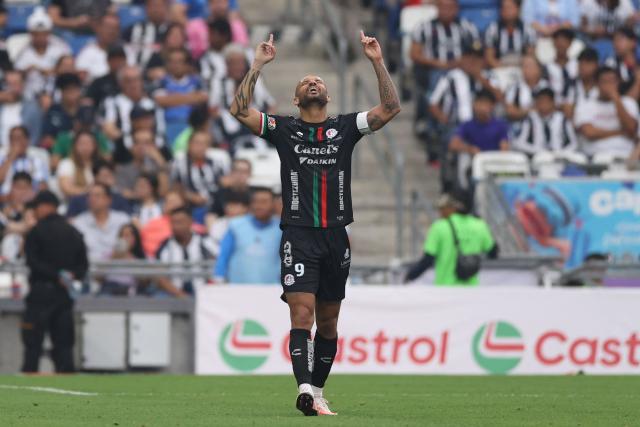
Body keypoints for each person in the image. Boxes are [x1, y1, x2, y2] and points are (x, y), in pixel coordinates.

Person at [230, 32, 400, 416]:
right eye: (305, 81)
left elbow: (390, 107)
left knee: (328, 322)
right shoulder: (284, 129)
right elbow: (239, 111)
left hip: (336, 236)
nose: (313, 82)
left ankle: (318, 390)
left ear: (327, 96)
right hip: (298, 234)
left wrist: (376, 61)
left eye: (319, 80)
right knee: (301, 314)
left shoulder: (347, 128)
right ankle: (304, 388)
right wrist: (257, 66)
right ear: (295, 98)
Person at [22, 190, 89, 373]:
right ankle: (68, 385)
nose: (36, 212)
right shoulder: (73, 232)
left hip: (40, 293)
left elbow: (32, 262)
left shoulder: (36, 231)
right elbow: (83, 266)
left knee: (33, 344)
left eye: (37, 207)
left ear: (45, 206)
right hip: (64, 295)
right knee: (64, 345)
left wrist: (54, 275)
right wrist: (68, 276)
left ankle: (29, 381)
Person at [404, 193, 498, 285]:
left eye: (442, 208)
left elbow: (428, 260)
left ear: (452, 208)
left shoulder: (439, 227)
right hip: (471, 290)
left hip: (445, 289)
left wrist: (410, 275)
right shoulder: (479, 225)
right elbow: (493, 253)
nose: (440, 212)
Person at [213, 187, 281, 283]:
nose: (259, 206)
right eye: (256, 201)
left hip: (271, 289)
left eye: (264, 202)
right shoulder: (236, 225)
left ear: (273, 204)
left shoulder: (282, 228)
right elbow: (224, 255)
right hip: (238, 289)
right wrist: (218, 277)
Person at [102, 66, 167, 163]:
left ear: (141, 81)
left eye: (136, 80)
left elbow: (160, 129)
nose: (133, 84)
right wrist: (131, 142)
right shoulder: (114, 102)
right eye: (128, 81)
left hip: (154, 147)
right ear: (121, 83)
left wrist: (149, 144)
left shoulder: (152, 103)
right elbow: (109, 128)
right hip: (124, 150)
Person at [575, 66, 639, 156]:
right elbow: (589, 133)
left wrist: (616, 99)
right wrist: (620, 132)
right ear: (596, 83)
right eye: (605, 82)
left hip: (626, 156)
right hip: (595, 158)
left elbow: (631, 130)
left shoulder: (629, 103)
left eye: (613, 81)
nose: (609, 85)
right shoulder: (585, 105)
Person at [154, 206, 214, 297]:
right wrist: (181, 295)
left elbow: (218, 267)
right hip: (174, 294)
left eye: (180, 222)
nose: (176, 226)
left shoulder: (205, 242)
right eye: (173, 223)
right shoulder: (164, 246)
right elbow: (160, 277)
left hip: (204, 292)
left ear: (190, 222)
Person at [153, 48, 208, 145]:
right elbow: (160, 101)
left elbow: (203, 98)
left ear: (187, 65)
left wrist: (172, 98)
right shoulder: (162, 81)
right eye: (172, 62)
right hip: (169, 125)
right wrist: (191, 97)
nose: (176, 65)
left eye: (179, 62)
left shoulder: (197, 81)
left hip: (192, 125)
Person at [14, 8, 71, 101]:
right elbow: (15, 75)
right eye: (36, 34)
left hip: (57, 95)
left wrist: (51, 71)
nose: (40, 37)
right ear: (31, 34)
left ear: (49, 33)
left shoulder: (60, 47)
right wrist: (26, 71)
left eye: (44, 34)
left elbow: (69, 70)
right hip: (29, 97)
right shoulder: (22, 50)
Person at [72, 183, 131, 261]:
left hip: (119, 269)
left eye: (97, 196)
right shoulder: (78, 223)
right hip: (91, 270)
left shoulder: (123, 220)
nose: (92, 199)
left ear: (108, 200)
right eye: (89, 196)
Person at [512, 88, 578, 156]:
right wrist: (539, 151)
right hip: (537, 158)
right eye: (540, 102)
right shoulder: (530, 119)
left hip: (560, 157)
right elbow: (519, 143)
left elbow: (573, 144)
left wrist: (561, 153)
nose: (543, 106)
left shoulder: (562, 119)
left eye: (546, 102)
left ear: (553, 103)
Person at [115, 129, 170, 200]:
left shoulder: (161, 167)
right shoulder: (123, 170)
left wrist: (159, 160)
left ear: (154, 146)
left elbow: (164, 192)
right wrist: (145, 196)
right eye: (137, 142)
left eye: (147, 143)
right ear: (132, 147)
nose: (141, 147)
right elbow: (122, 193)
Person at [66, 161, 133, 217]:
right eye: (105, 176)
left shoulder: (119, 199)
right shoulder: (78, 200)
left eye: (111, 175)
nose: (109, 179)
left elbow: (128, 218)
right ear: (95, 177)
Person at [484, 0, 537, 68]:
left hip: (522, 68)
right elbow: (489, 58)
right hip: (499, 68)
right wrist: (502, 69)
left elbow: (530, 55)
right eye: (503, 8)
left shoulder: (528, 30)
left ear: (518, 9)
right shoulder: (492, 29)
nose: (506, 10)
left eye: (509, 7)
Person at [0, 126, 49, 196]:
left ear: (27, 140)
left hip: (30, 201)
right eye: (12, 139)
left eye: (18, 138)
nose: (15, 142)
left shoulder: (37, 162)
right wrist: (10, 158)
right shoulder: (2, 159)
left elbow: (42, 187)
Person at [40, 73, 83, 150]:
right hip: (58, 153)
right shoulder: (53, 111)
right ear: (62, 92)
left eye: (75, 89)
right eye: (68, 89)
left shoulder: (85, 110)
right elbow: (47, 140)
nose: (72, 93)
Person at [102, 223, 147, 296]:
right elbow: (98, 277)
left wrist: (130, 258)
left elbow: (144, 281)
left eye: (129, 235)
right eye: (123, 236)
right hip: (110, 287)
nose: (125, 239)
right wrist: (113, 258)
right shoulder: (110, 254)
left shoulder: (140, 257)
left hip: (131, 289)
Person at [124, 0, 171, 69]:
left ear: (166, 8)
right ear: (146, 8)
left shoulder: (173, 30)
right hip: (136, 73)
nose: (156, 10)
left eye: (159, 6)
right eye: (153, 6)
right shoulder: (133, 29)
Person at [505, 55, 552, 122]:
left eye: (530, 66)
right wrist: (532, 111)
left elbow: (550, 108)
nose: (526, 69)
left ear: (539, 69)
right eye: (524, 66)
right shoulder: (515, 87)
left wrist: (521, 111)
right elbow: (510, 111)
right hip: (521, 124)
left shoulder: (546, 86)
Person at [75, 14, 122, 81]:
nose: (112, 31)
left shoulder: (127, 51)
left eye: (116, 28)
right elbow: (81, 79)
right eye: (108, 27)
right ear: (99, 28)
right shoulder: (87, 53)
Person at [55, 131, 101, 199]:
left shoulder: (100, 164)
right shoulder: (67, 163)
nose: (85, 147)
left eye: (88, 143)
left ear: (95, 146)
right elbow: (67, 189)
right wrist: (90, 192)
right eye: (82, 143)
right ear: (75, 146)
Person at [85, 45, 128, 110]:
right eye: (113, 59)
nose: (117, 63)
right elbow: (88, 102)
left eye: (120, 59)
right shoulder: (98, 83)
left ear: (125, 61)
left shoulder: (131, 82)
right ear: (108, 61)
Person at [208, 189, 249, 255]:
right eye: (229, 205)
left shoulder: (252, 225)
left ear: (246, 208)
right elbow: (213, 245)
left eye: (235, 205)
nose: (231, 209)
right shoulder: (218, 224)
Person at [562, 48, 600, 119]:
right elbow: (567, 111)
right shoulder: (570, 84)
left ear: (596, 65)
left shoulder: (601, 85)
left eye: (587, 63)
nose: (582, 67)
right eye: (580, 63)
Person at [545, 29, 578, 101]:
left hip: (573, 103)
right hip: (552, 105)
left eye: (564, 41)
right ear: (553, 43)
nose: (561, 45)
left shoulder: (577, 65)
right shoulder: (546, 67)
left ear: (570, 43)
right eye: (558, 41)